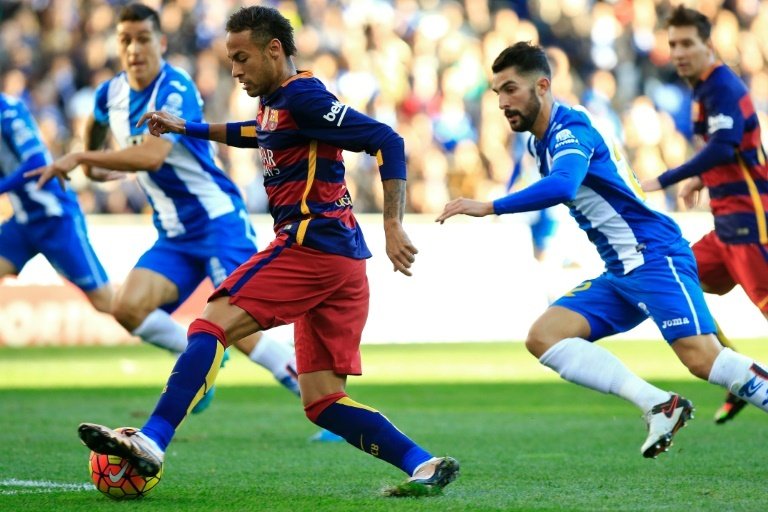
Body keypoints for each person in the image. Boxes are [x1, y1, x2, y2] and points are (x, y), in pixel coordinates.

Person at [37, 5, 458, 496]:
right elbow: (255, 132)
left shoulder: (303, 96)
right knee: (322, 400)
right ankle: (422, 463)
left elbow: (386, 138)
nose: (234, 70)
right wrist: (187, 129)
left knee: (211, 323)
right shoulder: (279, 101)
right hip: (342, 264)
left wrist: (392, 224)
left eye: (241, 58)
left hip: (310, 246)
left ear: (273, 49)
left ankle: (152, 439)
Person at [437, 41, 768, 458]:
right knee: (545, 336)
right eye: (497, 92)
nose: (502, 102)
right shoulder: (540, 141)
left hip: (654, 256)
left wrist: (490, 206)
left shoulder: (569, 131)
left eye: (510, 89)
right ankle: (658, 405)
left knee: (704, 360)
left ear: (542, 86)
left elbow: (563, 185)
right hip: (623, 272)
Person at [25, 3, 319, 421]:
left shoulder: (175, 86)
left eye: (143, 39)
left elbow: (153, 155)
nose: (134, 49)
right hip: (175, 235)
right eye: (125, 40)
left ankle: (317, 399)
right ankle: (196, 361)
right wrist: (91, 164)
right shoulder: (110, 93)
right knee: (127, 308)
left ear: (160, 43)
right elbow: (95, 136)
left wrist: (79, 158)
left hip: (217, 222)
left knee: (242, 331)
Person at [640, 5, 768, 424]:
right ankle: (743, 376)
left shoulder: (722, 87)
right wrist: (703, 179)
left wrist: (673, 176)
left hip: (753, 225)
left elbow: (726, 143)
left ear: (706, 44)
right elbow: (722, 149)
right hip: (728, 228)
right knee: (680, 280)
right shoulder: (702, 88)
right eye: (672, 44)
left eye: (686, 44)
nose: (678, 52)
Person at [0, 92, 113, 320]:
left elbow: (36, 162)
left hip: (54, 216)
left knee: (108, 302)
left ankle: (180, 342)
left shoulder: (8, 111)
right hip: (23, 221)